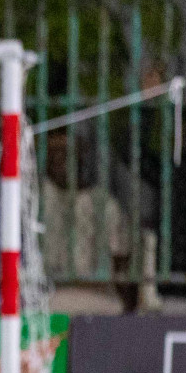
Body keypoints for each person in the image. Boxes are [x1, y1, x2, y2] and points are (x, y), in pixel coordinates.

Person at [40, 128, 132, 314]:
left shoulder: (104, 204)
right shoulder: (35, 199)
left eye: (66, 152)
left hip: (96, 291)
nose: (59, 159)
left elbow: (121, 261)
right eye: (53, 153)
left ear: (81, 156)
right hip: (47, 290)